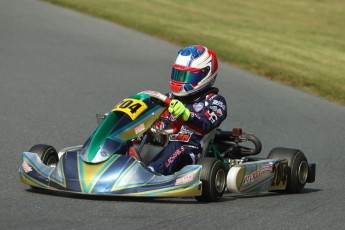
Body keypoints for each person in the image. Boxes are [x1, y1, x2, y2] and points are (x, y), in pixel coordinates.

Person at [146, 45, 228, 175]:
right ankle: (108, 163)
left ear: (205, 74)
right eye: (178, 74)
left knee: (177, 145)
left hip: (190, 152)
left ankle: (151, 174)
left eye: (187, 76)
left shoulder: (215, 101)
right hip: (161, 147)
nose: (180, 80)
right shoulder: (168, 98)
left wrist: (186, 114)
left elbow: (206, 124)